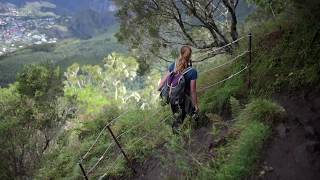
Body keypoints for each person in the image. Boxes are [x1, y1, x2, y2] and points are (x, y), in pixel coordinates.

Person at [158, 46, 199, 133]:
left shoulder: (173, 66)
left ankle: (177, 134)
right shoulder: (192, 72)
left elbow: (164, 80)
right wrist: (196, 105)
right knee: (192, 112)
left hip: (173, 98)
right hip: (184, 99)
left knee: (177, 117)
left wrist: (160, 88)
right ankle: (195, 131)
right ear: (190, 56)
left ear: (180, 54)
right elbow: (193, 91)